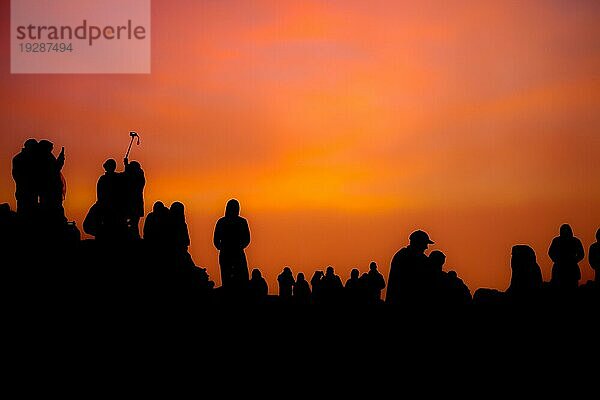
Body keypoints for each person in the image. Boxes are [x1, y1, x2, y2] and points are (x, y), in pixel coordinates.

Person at [386, 230, 433, 305]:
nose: (426, 247)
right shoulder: (404, 256)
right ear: (418, 243)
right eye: (424, 244)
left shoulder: (407, 255)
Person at [213, 199, 251, 290]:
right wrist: (221, 247)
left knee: (241, 276)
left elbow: (247, 238)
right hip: (227, 253)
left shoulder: (241, 222)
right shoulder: (222, 222)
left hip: (236, 253)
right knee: (226, 276)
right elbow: (216, 239)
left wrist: (239, 246)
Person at [549, 224, 584, 291]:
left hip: (571, 269)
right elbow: (550, 252)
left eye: (566, 230)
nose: (565, 232)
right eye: (563, 230)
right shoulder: (556, 241)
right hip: (559, 268)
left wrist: (574, 260)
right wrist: (556, 260)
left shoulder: (575, 241)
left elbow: (581, 254)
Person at [12, 139, 38, 218]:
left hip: (26, 191)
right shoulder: (22, 159)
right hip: (25, 191)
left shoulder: (18, 158)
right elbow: (18, 176)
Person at [122, 158, 145, 239]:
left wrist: (126, 166)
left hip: (132, 204)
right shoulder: (139, 176)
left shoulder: (137, 177)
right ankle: (134, 237)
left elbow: (127, 177)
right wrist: (126, 165)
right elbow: (127, 176)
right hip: (136, 204)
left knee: (133, 223)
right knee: (133, 223)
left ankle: (134, 237)